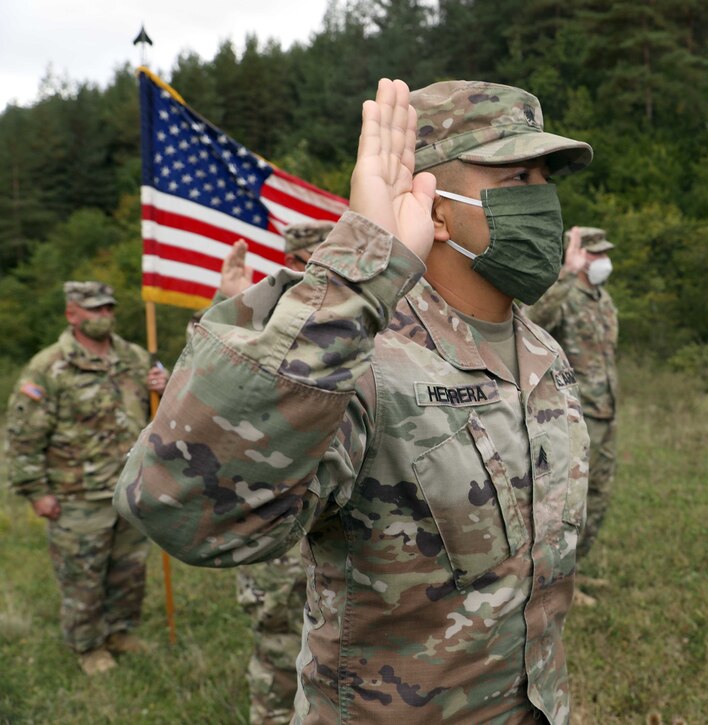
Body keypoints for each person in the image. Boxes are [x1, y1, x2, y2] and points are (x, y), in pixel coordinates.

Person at [114, 78, 591, 723]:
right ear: (435, 209)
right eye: (514, 178)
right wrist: (358, 270)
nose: (542, 200)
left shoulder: (542, 353)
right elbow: (182, 509)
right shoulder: (360, 360)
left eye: (544, 177)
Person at [5, 281, 168, 675]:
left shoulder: (132, 356)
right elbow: (24, 435)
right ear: (72, 314)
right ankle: (87, 645)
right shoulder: (49, 367)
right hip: (76, 494)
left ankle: (119, 631)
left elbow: (164, 413)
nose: (104, 316)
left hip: (129, 487)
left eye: (108, 308)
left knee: (128, 570)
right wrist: (36, 492)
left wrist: (164, 387)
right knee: (83, 578)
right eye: (94, 310)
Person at [225, 221, 335, 725]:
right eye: (306, 259)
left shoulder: (365, 324)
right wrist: (231, 308)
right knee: (276, 643)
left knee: (338, 644)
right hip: (272, 511)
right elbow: (218, 392)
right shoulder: (257, 325)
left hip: (339, 520)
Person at [527, 226, 618, 605]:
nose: (602, 261)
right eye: (594, 255)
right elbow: (535, 318)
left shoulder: (603, 300)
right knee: (569, 502)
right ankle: (558, 581)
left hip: (605, 410)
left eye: (603, 254)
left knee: (598, 494)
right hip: (572, 415)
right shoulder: (564, 295)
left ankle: (574, 569)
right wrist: (566, 270)